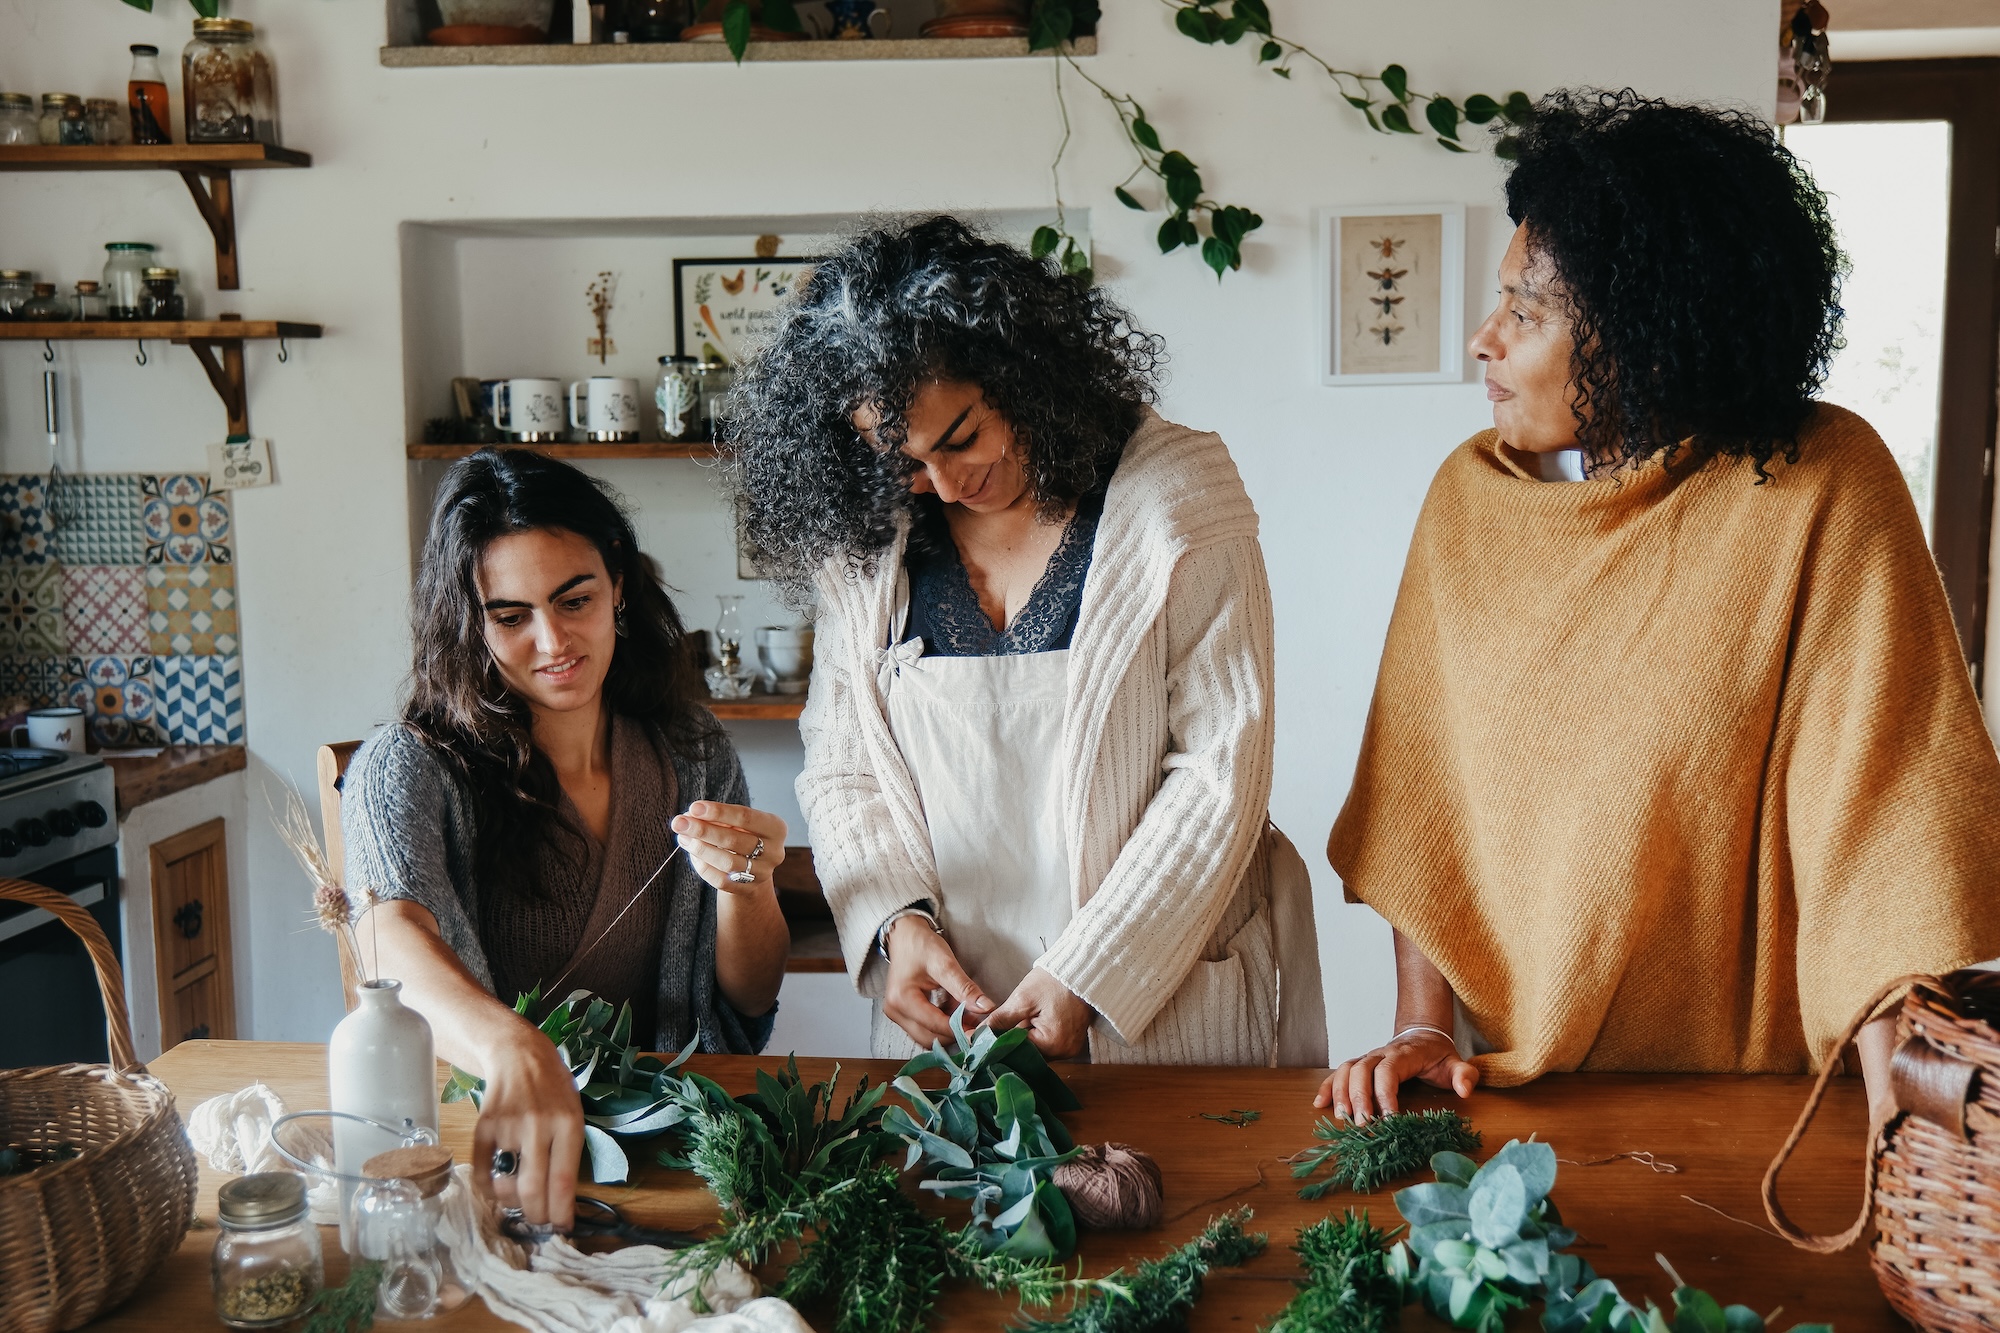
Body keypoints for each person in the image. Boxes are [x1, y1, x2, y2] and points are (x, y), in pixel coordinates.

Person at [1320, 89, 2000, 1122]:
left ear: (1638, 334)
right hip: (1514, 1096)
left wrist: (1896, 1138)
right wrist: (1421, 1025)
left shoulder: (1817, 484)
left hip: (1754, 1111)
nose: (1482, 340)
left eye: (1525, 311)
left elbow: (1881, 834)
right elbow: (1426, 799)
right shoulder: (1472, 504)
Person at [724, 215, 1325, 1067]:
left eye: (961, 437)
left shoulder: (1177, 498)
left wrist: (1091, 970)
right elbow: (842, 758)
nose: (946, 484)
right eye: (907, 463)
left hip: (1160, 1003)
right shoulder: (872, 546)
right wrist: (896, 925)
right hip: (951, 1010)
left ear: (1017, 370)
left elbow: (1222, 768)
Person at [342, 449, 790, 1228]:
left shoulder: (693, 749)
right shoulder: (408, 766)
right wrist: (514, 1051)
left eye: (573, 599)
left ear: (618, 582)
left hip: (675, 1150)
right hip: (489, 1158)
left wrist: (748, 882)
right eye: (511, 616)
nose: (553, 641)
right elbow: (387, 936)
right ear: (469, 623)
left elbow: (749, 998)